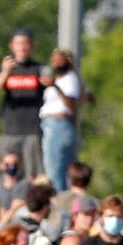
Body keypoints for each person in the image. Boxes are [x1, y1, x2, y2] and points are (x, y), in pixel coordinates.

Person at [0, 27, 45, 181]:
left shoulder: (38, 69)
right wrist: (5, 73)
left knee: (33, 176)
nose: (22, 47)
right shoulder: (4, 69)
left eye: (25, 43)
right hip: (10, 131)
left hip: (33, 131)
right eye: (18, 43)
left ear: (31, 46)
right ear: (12, 46)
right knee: (8, 176)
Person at [40, 50, 81, 192]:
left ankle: (60, 204)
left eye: (58, 60)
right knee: (57, 169)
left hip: (58, 125)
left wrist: (55, 87)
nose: (55, 63)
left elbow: (71, 104)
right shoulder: (58, 80)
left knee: (55, 170)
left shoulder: (70, 79)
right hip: (50, 125)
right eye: (53, 60)